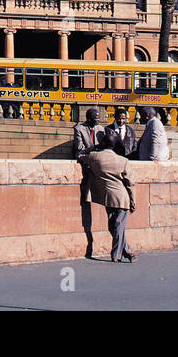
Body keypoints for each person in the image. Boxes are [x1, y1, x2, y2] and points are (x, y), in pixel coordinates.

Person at [80, 134, 137, 263]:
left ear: (102, 143)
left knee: (115, 226)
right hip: (122, 198)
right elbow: (130, 184)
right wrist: (133, 201)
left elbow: (80, 156)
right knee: (116, 226)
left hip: (107, 197)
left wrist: (93, 147)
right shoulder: (123, 161)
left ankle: (118, 254)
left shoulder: (94, 157)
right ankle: (126, 252)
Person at [73, 108, 105, 258]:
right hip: (85, 160)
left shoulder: (101, 129)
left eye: (99, 118)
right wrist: (94, 148)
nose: (98, 120)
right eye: (95, 118)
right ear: (88, 118)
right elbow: (79, 149)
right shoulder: (79, 129)